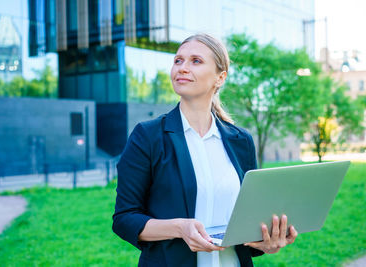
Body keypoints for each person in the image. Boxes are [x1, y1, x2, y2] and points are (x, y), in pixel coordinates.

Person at [112, 33, 298, 267]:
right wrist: (179, 228)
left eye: (196, 61)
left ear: (220, 78)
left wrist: (265, 241)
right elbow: (124, 218)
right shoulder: (147, 137)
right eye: (178, 60)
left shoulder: (241, 141)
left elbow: (247, 220)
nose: (182, 68)